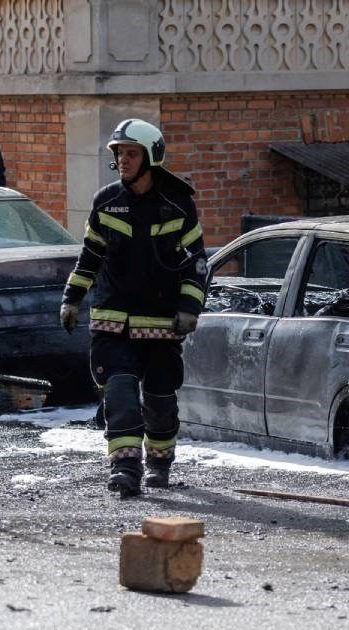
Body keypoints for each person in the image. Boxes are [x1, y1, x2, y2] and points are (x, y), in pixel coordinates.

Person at [59, 119, 207, 497]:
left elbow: (196, 266)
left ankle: (159, 462)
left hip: (161, 325)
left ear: (151, 157)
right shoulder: (106, 202)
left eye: (131, 153)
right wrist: (72, 299)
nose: (123, 160)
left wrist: (189, 309)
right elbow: (89, 258)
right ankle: (125, 469)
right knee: (120, 395)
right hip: (111, 322)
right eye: (119, 154)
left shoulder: (178, 206)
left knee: (159, 401)